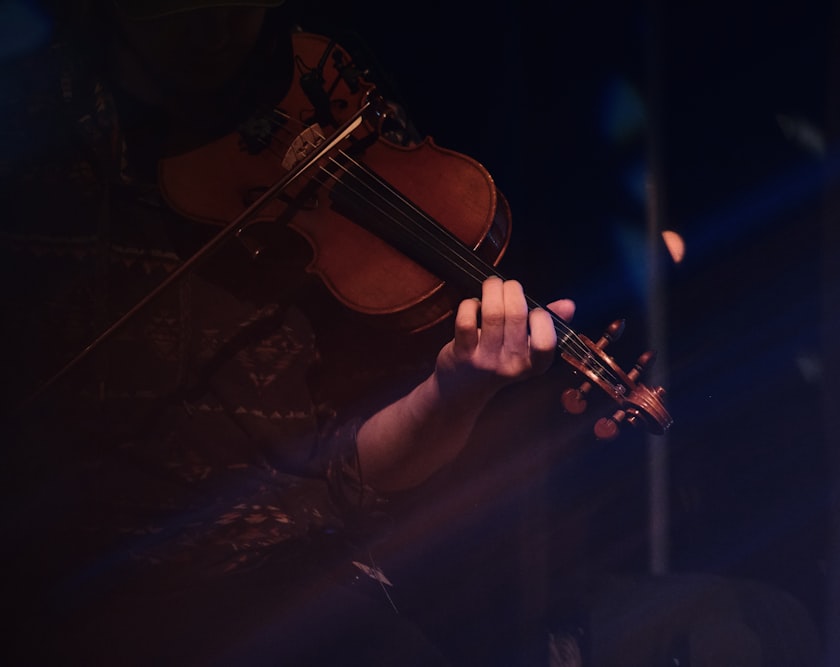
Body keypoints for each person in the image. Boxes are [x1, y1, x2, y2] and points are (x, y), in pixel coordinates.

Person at [0, 1, 575, 664]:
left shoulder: (332, 101)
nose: (214, 29)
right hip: (55, 589)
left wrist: (455, 392)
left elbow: (351, 473)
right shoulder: (28, 136)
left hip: (281, 576)